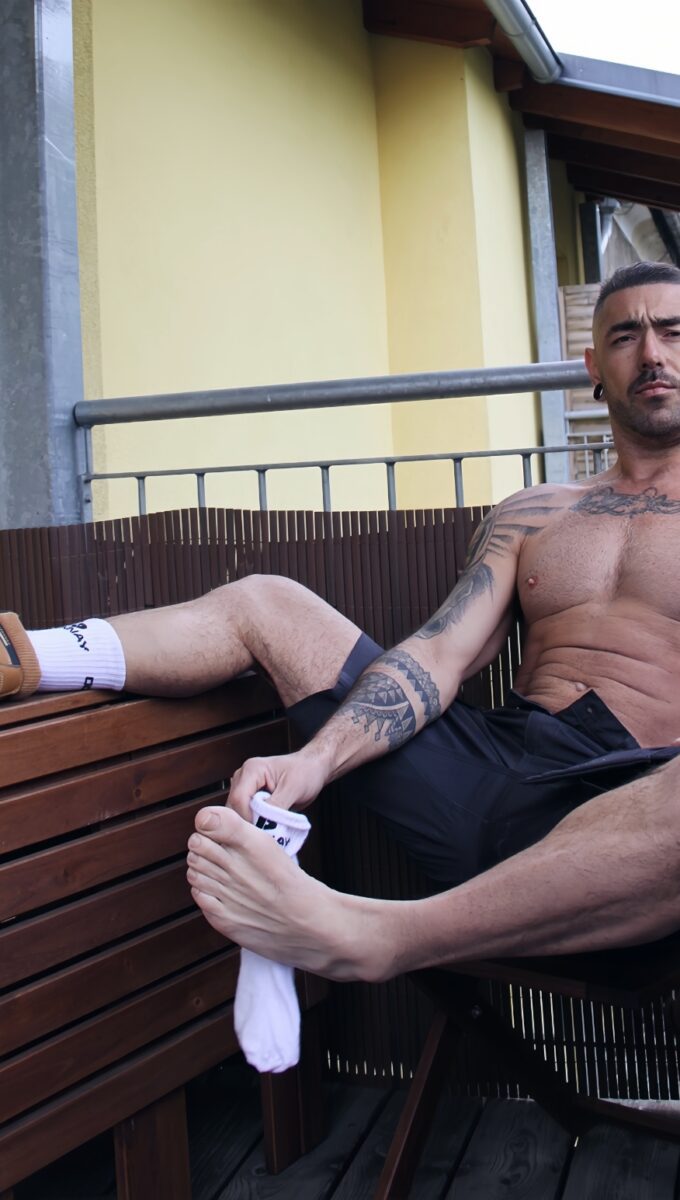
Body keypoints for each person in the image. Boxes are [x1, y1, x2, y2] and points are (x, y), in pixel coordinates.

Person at [3, 260, 680, 985]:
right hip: (494, 782)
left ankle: (379, 936)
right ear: (593, 367)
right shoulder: (534, 514)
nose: (651, 353)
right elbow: (440, 656)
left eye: (674, 331)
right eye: (626, 336)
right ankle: (23, 656)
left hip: (638, 819)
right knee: (267, 602)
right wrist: (314, 761)